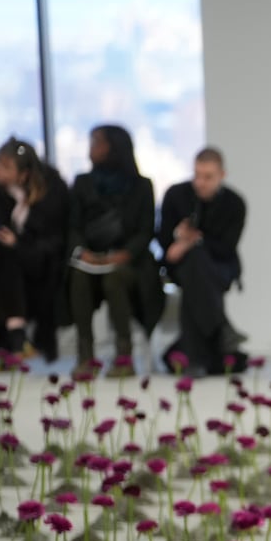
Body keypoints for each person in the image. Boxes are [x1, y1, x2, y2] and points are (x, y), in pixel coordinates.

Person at [66, 124, 158, 375]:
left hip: (130, 262)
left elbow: (145, 231)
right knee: (79, 277)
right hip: (90, 258)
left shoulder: (141, 186)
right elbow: (73, 226)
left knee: (113, 277)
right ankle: (85, 356)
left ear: (115, 147)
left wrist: (123, 254)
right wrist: (82, 252)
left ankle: (123, 356)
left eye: (97, 142)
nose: (91, 149)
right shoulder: (83, 183)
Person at [157, 146, 248, 375]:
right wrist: (179, 239)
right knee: (194, 266)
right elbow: (164, 239)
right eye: (197, 175)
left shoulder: (234, 203)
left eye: (208, 177)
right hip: (181, 268)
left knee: (196, 269)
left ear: (222, 175)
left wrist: (191, 242)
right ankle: (221, 327)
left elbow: (226, 248)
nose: (200, 183)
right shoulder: (177, 195)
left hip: (220, 266)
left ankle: (192, 357)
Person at [0, 137, 68, 359]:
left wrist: (18, 243)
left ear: (24, 174)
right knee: (6, 259)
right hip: (7, 263)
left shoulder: (52, 190)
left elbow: (55, 240)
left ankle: (17, 338)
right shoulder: (0, 192)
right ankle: (15, 336)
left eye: (5, 167)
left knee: (9, 258)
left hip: (43, 263)